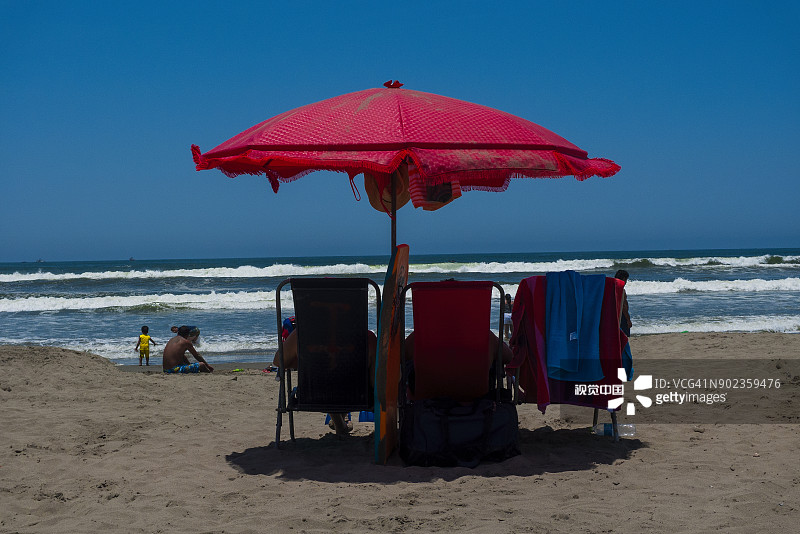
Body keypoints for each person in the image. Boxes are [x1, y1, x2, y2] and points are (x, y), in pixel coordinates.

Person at [273, 328, 377, 436]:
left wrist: (304, 361)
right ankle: (341, 424)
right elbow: (375, 382)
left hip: (314, 396)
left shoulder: (302, 334)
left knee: (328, 380)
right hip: (357, 396)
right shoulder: (368, 337)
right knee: (342, 380)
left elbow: (278, 361)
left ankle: (340, 425)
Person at [615, 269, 633, 336]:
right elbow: (623, 306)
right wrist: (628, 320)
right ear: (623, 279)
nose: (626, 282)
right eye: (626, 280)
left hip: (614, 315)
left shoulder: (612, 288)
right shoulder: (621, 290)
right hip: (622, 316)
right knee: (625, 335)